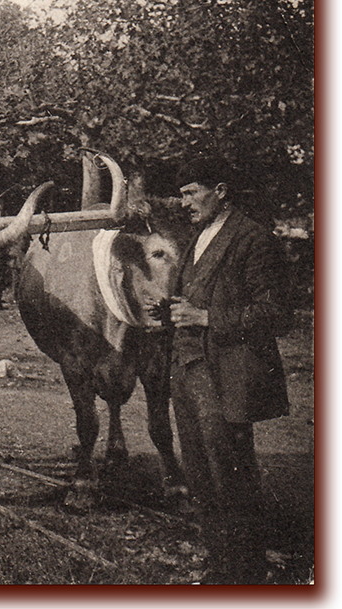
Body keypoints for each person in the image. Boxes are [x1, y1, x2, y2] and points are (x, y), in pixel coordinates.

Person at [155, 156, 290, 584]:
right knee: (199, 474)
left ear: (222, 191)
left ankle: (247, 571)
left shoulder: (253, 238)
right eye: (181, 195)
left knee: (231, 473)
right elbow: (191, 299)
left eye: (192, 192)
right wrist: (167, 311)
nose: (184, 202)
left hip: (225, 375)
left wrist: (208, 318)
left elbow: (278, 313)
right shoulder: (197, 236)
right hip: (189, 370)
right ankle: (221, 567)